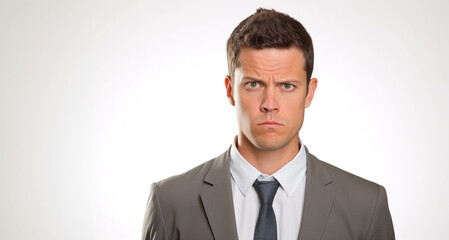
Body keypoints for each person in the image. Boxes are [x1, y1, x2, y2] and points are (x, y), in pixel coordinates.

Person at [142, 8, 394, 240]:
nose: (270, 104)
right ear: (230, 91)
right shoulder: (169, 203)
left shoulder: (366, 206)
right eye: (254, 84)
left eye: (287, 86)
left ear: (309, 92)